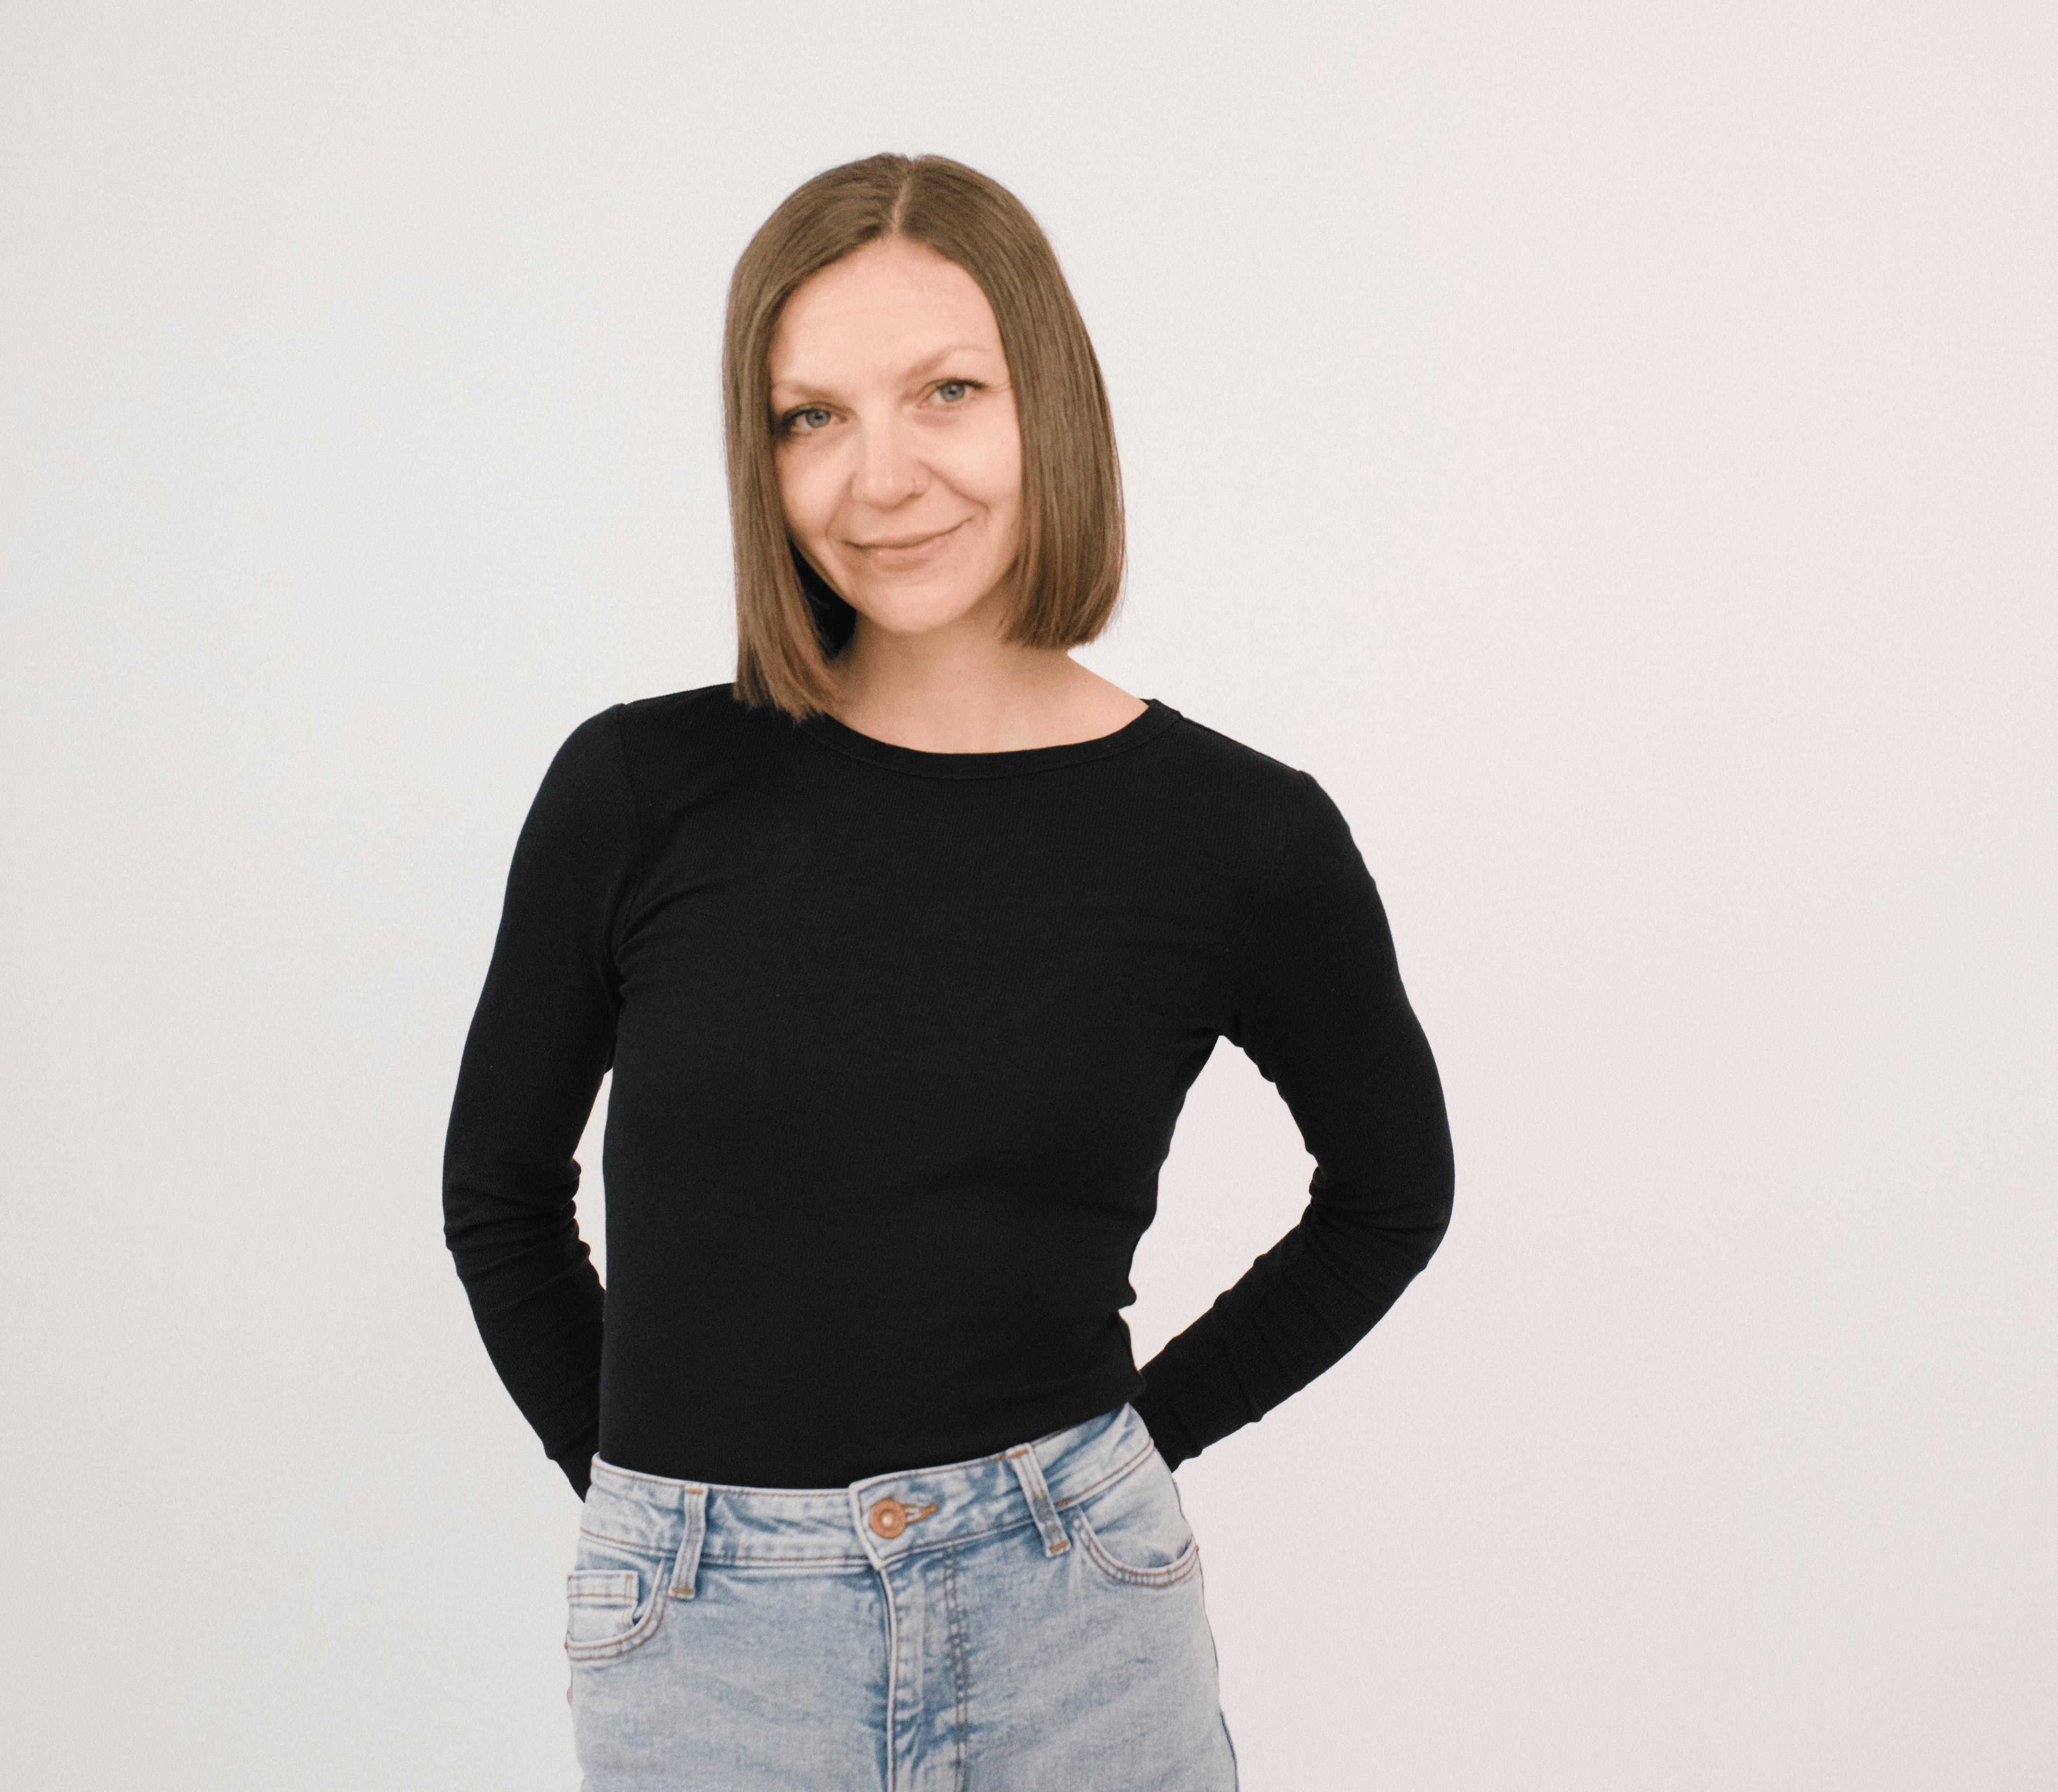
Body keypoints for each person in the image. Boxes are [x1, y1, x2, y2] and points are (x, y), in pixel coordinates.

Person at [440, 152, 1454, 1790]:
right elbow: (497, 1192)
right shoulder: (637, 790)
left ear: (1046, 398)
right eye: (810, 416)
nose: (881, 474)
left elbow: (1394, 1189)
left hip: (1080, 1631)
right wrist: (658, 1511)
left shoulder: (1239, 836)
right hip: (707, 1651)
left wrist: (1127, 1453)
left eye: (947, 391)